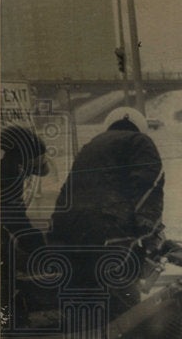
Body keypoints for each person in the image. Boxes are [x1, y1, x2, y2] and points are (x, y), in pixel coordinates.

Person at [47, 107, 164, 315]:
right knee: (122, 309)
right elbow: (149, 187)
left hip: (69, 235)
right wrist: (148, 233)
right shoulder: (140, 142)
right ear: (139, 127)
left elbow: (69, 189)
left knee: (82, 305)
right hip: (110, 235)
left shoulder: (90, 146)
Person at [0, 125, 49, 323]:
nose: (27, 176)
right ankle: (5, 321)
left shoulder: (5, 162)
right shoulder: (8, 170)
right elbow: (15, 218)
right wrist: (38, 246)